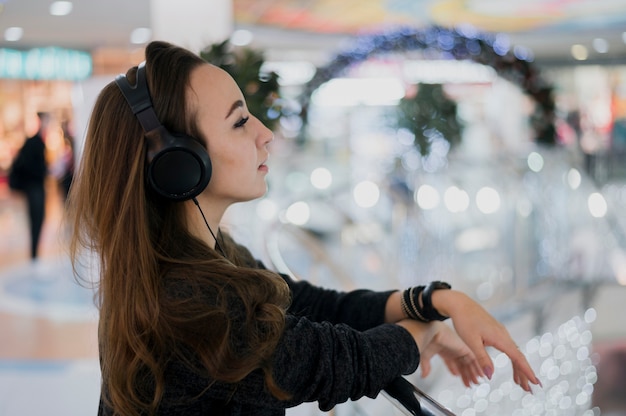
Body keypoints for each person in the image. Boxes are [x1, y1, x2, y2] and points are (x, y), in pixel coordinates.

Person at [66, 41, 541, 416]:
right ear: (178, 165)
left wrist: (441, 301)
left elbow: (320, 308)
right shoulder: (191, 304)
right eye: (238, 122)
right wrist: (428, 333)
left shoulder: (214, 259)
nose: (263, 133)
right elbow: (338, 362)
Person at [10, 112, 49, 260]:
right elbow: (31, 167)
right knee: (37, 219)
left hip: (34, 188)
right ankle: (34, 254)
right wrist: (43, 171)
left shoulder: (34, 142)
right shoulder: (35, 143)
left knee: (37, 219)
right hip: (34, 188)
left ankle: (34, 253)